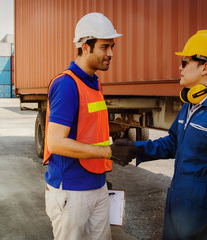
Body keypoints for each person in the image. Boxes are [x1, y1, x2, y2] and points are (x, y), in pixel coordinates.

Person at [133, 30, 207, 239]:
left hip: (201, 218)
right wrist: (135, 148)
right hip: (177, 207)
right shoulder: (190, 105)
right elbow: (173, 143)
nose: (180, 68)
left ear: (204, 67)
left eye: (185, 62)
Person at [43, 12, 139, 240]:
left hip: (96, 184)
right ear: (85, 47)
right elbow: (55, 143)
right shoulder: (67, 85)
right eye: (105, 47)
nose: (111, 53)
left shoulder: (93, 83)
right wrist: (109, 152)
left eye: (112, 46)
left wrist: (101, 172)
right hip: (72, 191)